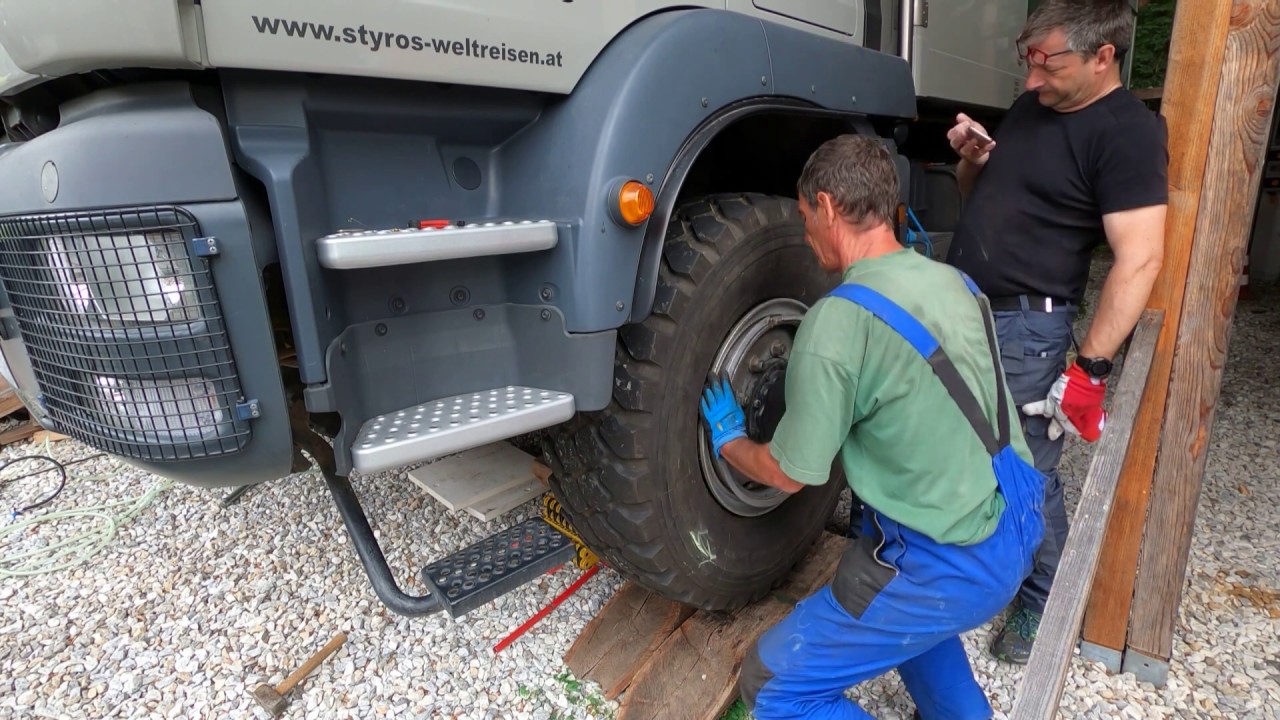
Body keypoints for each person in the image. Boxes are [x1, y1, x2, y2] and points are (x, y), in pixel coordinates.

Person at [699, 133, 1045, 720]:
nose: (807, 235)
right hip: (1015, 520)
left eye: (807, 216)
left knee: (775, 685)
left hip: (944, 560)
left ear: (829, 207)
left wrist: (731, 441)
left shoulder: (837, 323)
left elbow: (788, 474)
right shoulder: (952, 281)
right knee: (918, 626)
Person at [943, 0, 1169, 665]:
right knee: (956, 447)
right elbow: (976, 197)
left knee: (1025, 470)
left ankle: (1041, 597)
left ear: (1104, 57)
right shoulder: (1030, 110)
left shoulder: (1128, 131)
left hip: (1026, 328)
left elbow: (1141, 257)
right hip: (965, 307)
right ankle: (965, 568)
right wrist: (974, 162)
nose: (1032, 81)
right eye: (1028, 60)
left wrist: (1090, 368)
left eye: (1048, 64)